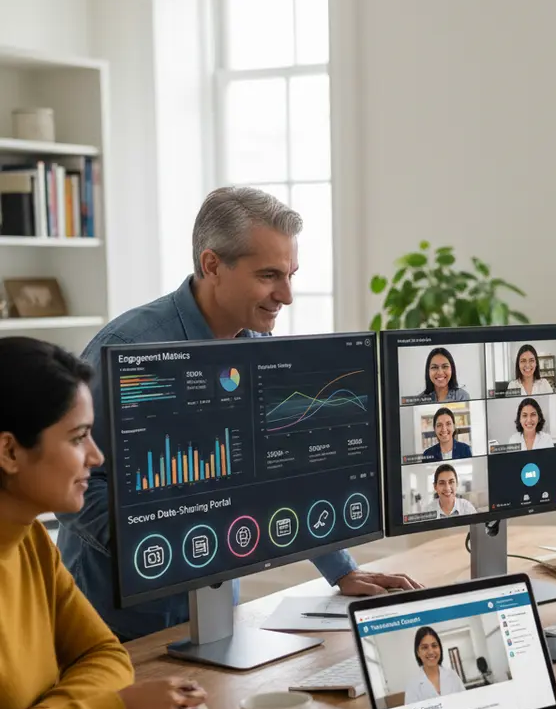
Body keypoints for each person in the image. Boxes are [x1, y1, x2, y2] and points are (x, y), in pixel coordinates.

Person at [56, 187, 419, 642]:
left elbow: (285, 475)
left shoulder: (258, 352)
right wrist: (165, 551)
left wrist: (340, 570)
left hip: (216, 610)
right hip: (115, 623)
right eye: (269, 276)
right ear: (212, 265)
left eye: (291, 274)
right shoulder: (127, 352)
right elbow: (73, 485)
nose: (285, 295)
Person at [0, 337, 219, 709]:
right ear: (10, 452)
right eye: (78, 438)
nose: (97, 458)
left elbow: (101, 651)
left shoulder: (28, 544)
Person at [404, 626, 467, 704]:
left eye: (434, 646)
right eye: (424, 647)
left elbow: (465, 703)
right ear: (418, 653)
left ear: (440, 648)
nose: (431, 651)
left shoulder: (453, 676)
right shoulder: (412, 686)